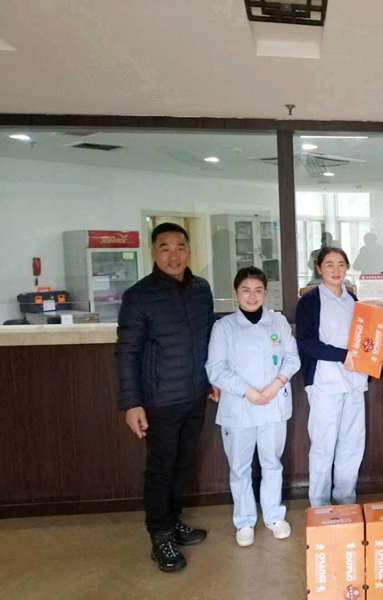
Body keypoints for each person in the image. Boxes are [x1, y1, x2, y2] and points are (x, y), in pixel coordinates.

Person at [116, 222, 217, 573]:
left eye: (180, 247)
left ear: (189, 250)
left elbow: (209, 337)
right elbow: (126, 352)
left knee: (183, 464)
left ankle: (174, 522)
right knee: (161, 469)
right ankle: (160, 535)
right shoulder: (139, 295)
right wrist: (131, 403)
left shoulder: (201, 289)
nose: (174, 255)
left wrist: (212, 379)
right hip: (159, 399)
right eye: (165, 248)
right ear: (153, 253)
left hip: (195, 394)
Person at [205, 267, 300, 546]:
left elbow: (292, 358)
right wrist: (248, 391)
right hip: (239, 408)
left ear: (266, 293)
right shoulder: (223, 327)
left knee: (272, 464)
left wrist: (276, 384)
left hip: (273, 404)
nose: (252, 296)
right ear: (235, 293)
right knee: (239, 468)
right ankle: (244, 521)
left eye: (258, 290)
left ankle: (273, 516)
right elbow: (215, 369)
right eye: (245, 290)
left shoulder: (278, 322)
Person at [296, 248, 368, 507]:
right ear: (319, 268)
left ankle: (346, 500)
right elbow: (305, 343)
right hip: (325, 383)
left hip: (354, 382)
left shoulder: (353, 299)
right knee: (323, 446)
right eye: (329, 264)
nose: (336, 270)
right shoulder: (309, 301)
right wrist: (341, 355)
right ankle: (319, 504)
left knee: (352, 444)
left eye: (340, 264)